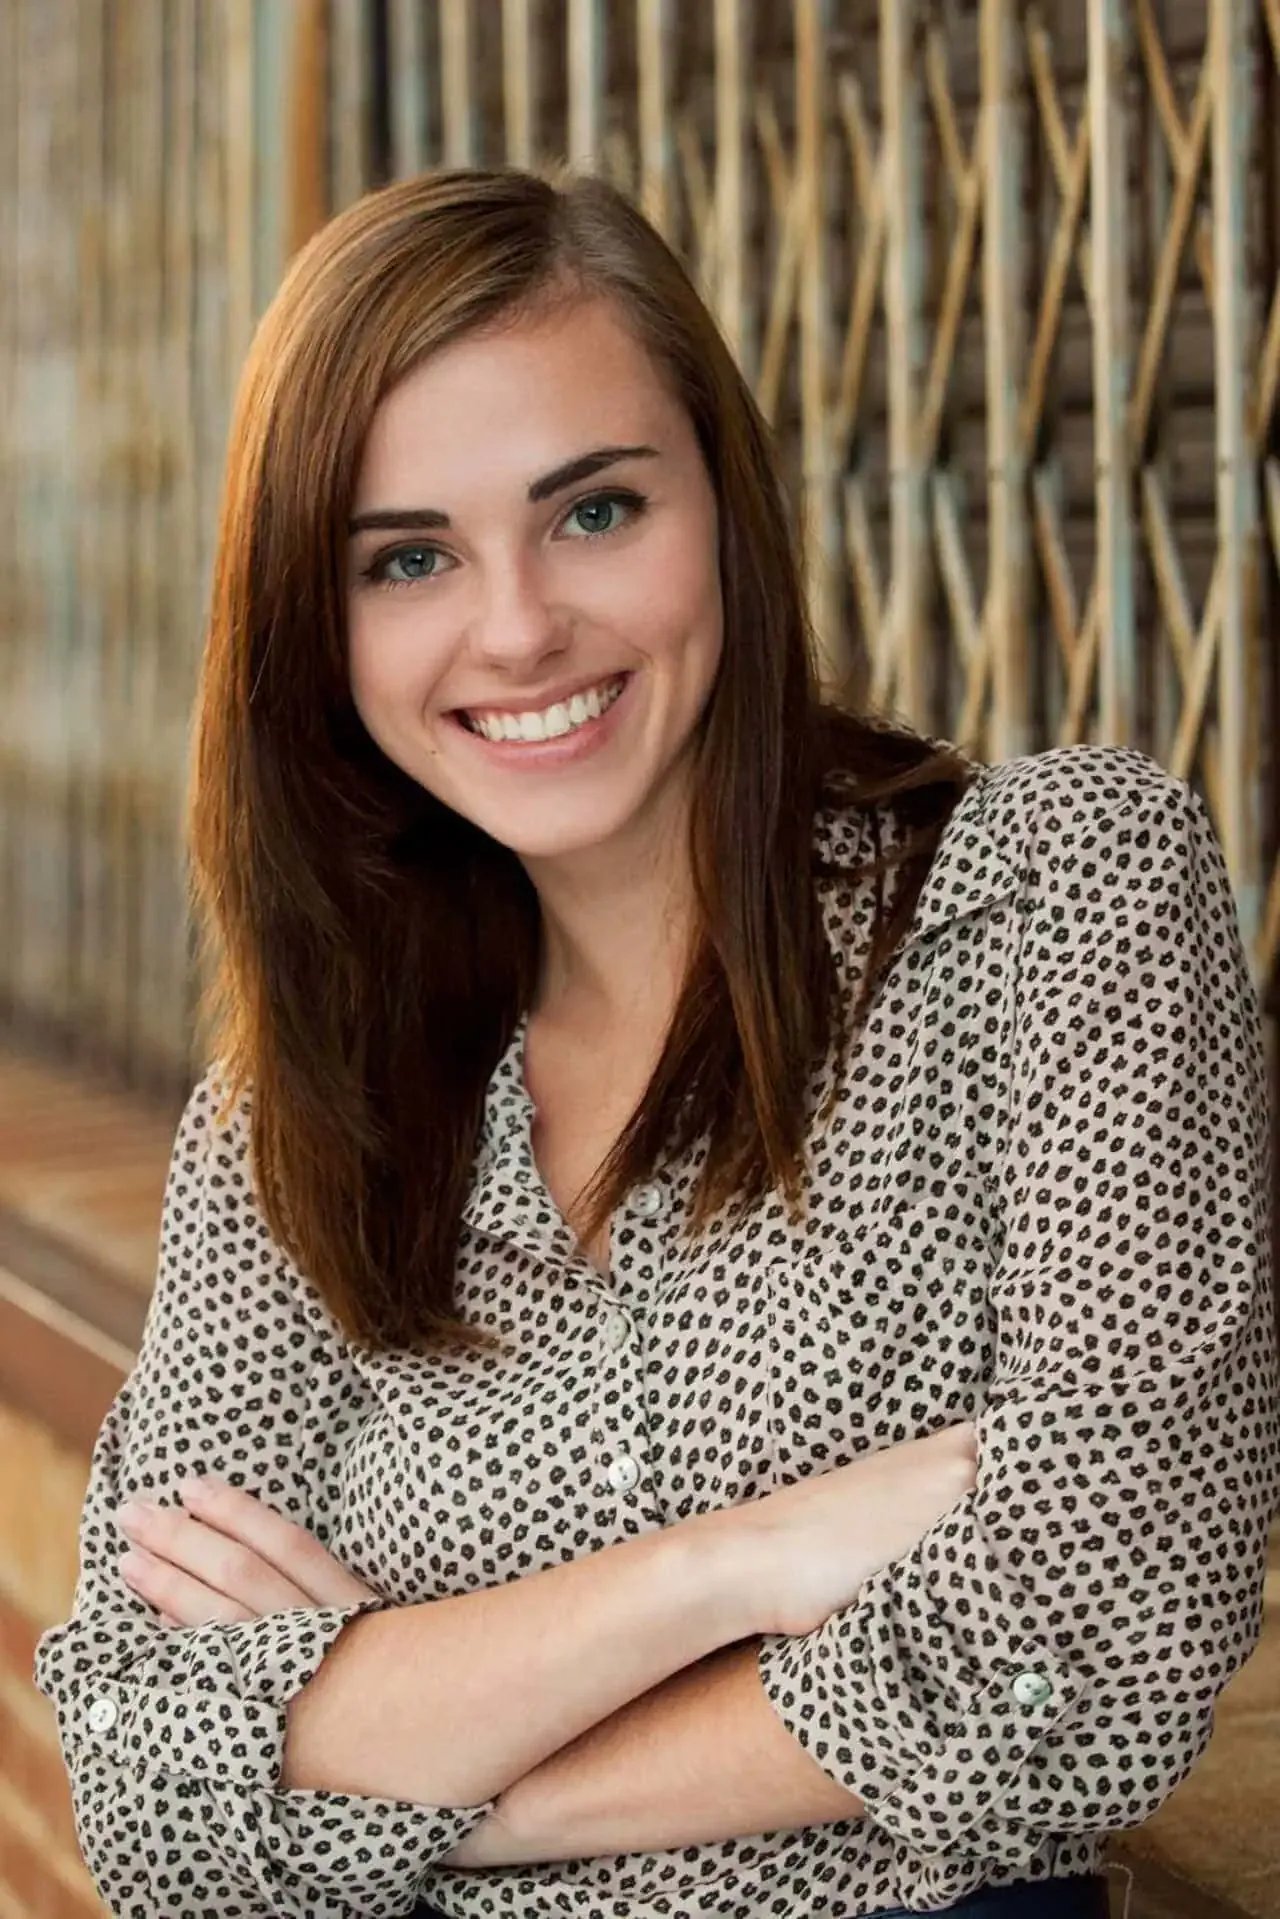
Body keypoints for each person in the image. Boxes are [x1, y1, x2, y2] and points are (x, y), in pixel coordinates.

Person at [33, 163, 1277, 1919]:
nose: (520, 625)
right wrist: (732, 1569)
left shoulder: (1051, 899)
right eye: (407, 558)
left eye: (595, 511)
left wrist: (437, 1770)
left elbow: (1096, 1642)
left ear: (722, 494)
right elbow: (151, 1788)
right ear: (317, 634)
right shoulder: (298, 1108)